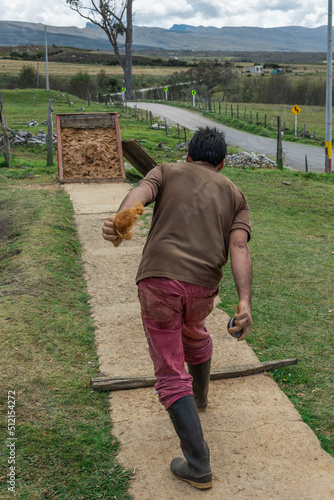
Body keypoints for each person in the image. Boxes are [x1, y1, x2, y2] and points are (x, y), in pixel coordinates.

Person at [102, 126, 252, 490]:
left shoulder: (166, 171)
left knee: (170, 371)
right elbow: (239, 248)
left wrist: (123, 218)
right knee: (195, 330)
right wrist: (244, 301)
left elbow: (142, 192)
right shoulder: (235, 194)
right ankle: (198, 397)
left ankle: (198, 465)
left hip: (159, 284)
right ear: (222, 163)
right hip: (202, 292)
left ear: (188, 155)